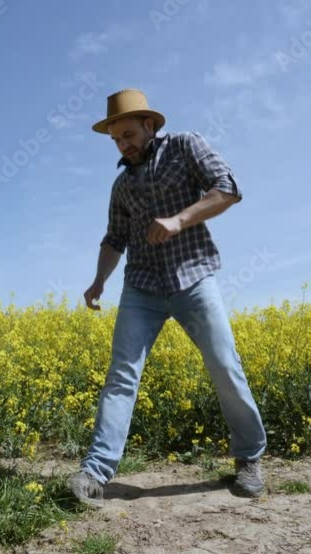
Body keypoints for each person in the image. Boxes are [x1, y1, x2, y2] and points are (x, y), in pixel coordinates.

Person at [68, 88, 267, 508]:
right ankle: (95, 472)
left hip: (193, 278)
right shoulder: (121, 185)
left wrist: (179, 220)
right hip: (141, 286)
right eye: (116, 139)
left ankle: (249, 457)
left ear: (150, 125)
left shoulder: (185, 146)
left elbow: (227, 188)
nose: (124, 143)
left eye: (128, 134)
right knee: (121, 376)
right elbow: (114, 238)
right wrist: (98, 280)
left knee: (223, 366)